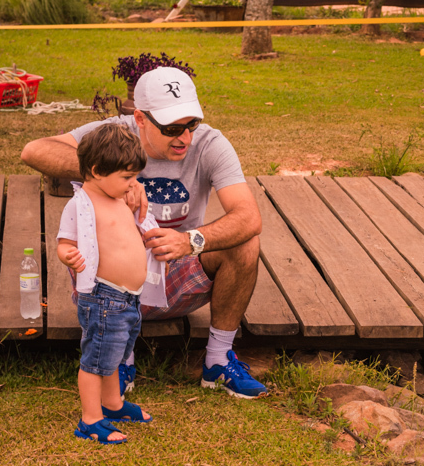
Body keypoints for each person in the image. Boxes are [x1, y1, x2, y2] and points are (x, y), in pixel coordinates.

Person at [22, 66, 267, 398]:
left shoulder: (210, 143)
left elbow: (248, 217)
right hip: (110, 283)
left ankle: (218, 361)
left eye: (190, 124)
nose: (184, 138)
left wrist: (190, 240)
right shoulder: (112, 136)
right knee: (101, 235)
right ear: (139, 118)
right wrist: (113, 174)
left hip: (175, 272)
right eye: (171, 128)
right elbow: (34, 151)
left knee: (245, 244)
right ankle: (119, 360)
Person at [58, 123, 164, 444]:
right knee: (96, 358)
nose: (134, 184)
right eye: (127, 177)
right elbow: (64, 242)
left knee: (116, 353)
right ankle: (90, 420)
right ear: (96, 171)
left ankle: (113, 404)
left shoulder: (118, 197)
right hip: (103, 298)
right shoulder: (80, 204)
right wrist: (69, 256)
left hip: (128, 299)